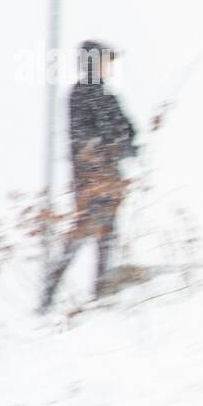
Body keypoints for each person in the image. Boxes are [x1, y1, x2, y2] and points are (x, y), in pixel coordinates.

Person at [39, 40, 138, 312]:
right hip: (93, 176)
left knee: (104, 231)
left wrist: (121, 140)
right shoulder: (86, 94)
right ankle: (53, 294)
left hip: (105, 175)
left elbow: (127, 132)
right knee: (88, 230)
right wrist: (114, 142)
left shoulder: (101, 94)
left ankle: (98, 291)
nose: (110, 66)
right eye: (107, 60)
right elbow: (109, 133)